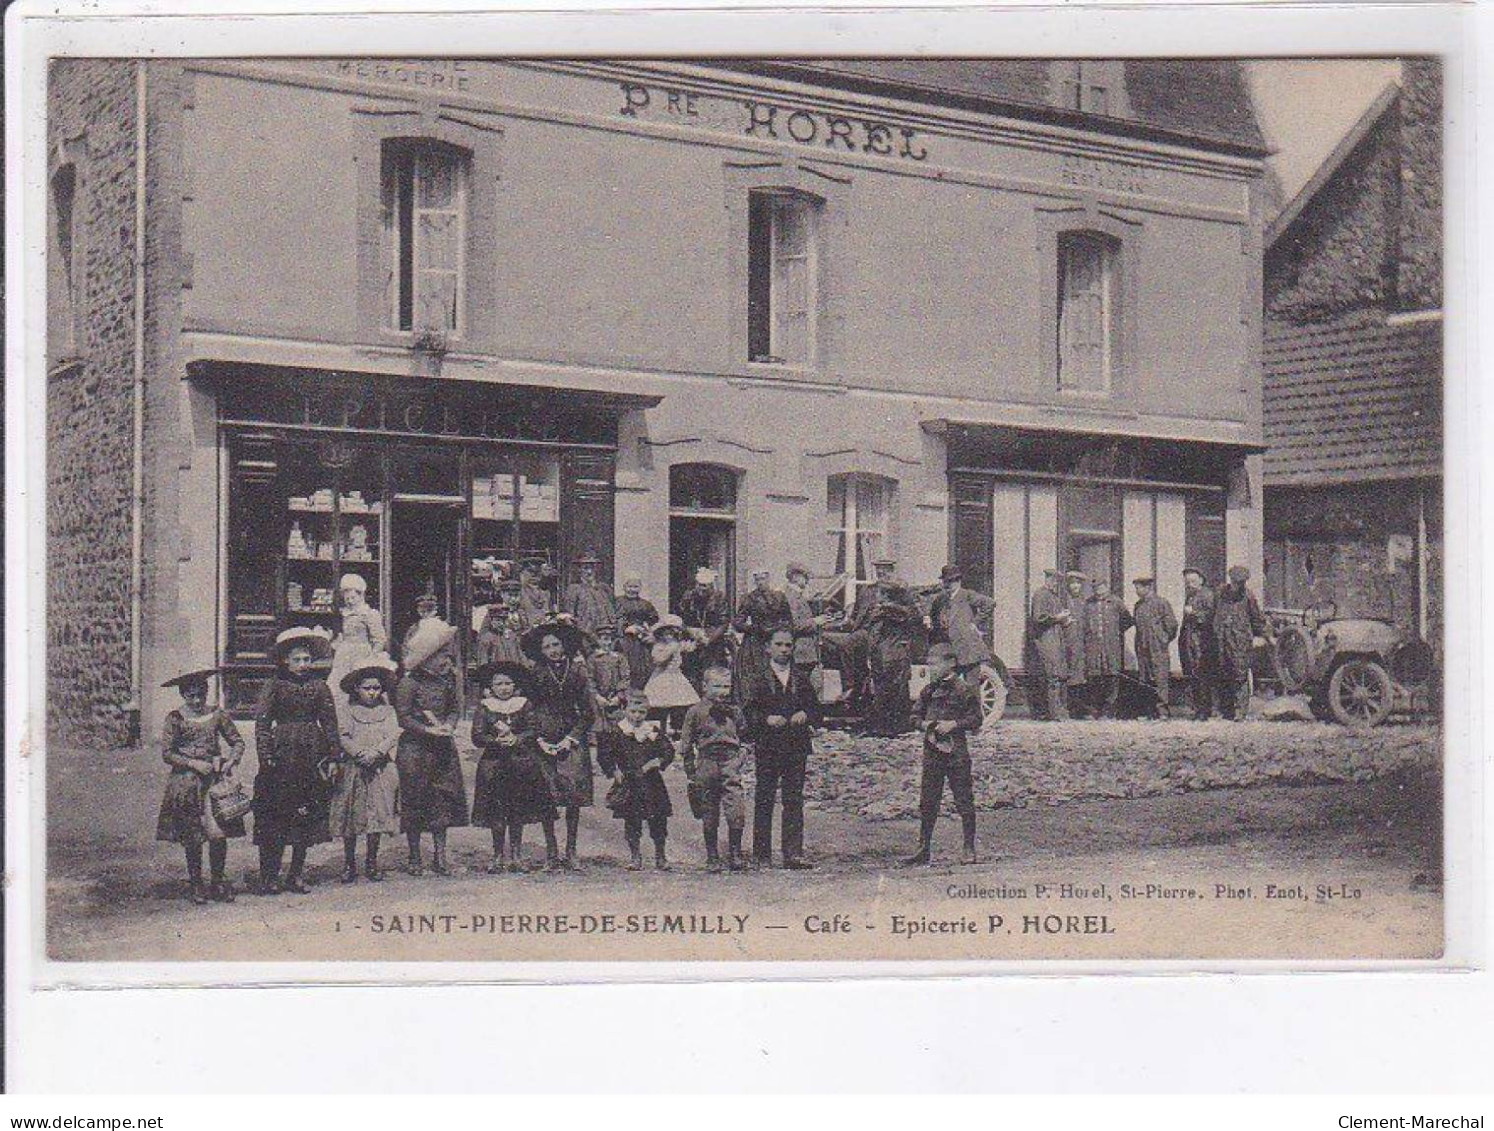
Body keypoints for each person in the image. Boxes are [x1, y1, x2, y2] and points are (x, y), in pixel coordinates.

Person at [254, 628, 340, 894]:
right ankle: (270, 876)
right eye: (297, 660)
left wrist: (334, 756)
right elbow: (262, 723)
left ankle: (296, 874)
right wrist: (266, 755)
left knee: (305, 815)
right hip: (282, 754)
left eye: (307, 659)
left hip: (311, 754)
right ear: (285, 661)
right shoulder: (275, 686)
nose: (303, 665)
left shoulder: (320, 687)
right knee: (275, 817)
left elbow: (330, 723)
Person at [156, 666, 246, 904]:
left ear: (207, 693)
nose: (196, 700)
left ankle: (217, 881)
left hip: (213, 784)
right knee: (193, 835)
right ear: (183, 696)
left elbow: (237, 742)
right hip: (186, 783)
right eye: (191, 695)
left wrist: (229, 761)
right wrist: (193, 763)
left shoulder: (217, 715)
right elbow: (167, 753)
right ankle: (196, 883)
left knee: (218, 834)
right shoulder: (175, 718)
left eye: (201, 695)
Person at [395, 618, 468, 876]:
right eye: (442, 656)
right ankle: (415, 857)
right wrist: (427, 729)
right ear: (427, 658)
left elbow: (453, 709)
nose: (447, 662)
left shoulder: (445, 683)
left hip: (442, 750)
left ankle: (440, 857)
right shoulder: (408, 683)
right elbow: (403, 717)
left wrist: (448, 725)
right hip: (415, 750)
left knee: (442, 801)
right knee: (415, 801)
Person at [743, 628, 820, 869]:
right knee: (765, 796)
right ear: (768, 648)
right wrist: (765, 719)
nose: (784, 649)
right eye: (779, 644)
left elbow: (817, 710)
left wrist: (805, 713)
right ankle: (762, 853)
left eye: (788, 645)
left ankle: (793, 853)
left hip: (796, 746)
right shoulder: (757, 678)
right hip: (768, 745)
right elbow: (747, 711)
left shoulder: (801, 678)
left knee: (793, 799)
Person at [470, 661, 558, 873]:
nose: (504, 688)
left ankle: (516, 855)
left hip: (520, 764)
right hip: (494, 764)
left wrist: (517, 739)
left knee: (517, 810)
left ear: (515, 686)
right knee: (496, 812)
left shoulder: (523, 704)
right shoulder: (485, 707)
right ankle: (498, 855)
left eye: (508, 683)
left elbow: (533, 729)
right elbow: (477, 735)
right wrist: (496, 741)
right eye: (498, 684)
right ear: (491, 688)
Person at [902, 643, 984, 867]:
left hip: (957, 753)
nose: (931, 668)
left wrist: (954, 725)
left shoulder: (964, 689)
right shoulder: (928, 691)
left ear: (951, 663)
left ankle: (969, 848)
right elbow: (913, 717)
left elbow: (977, 719)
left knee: (964, 800)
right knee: (928, 802)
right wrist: (925, 724)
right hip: (932, 753)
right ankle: (923, 848)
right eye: (929, 664)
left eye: (935, 663)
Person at [523, 621, 596, 869]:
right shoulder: (534, 673)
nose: (553, 650)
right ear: (540, 650)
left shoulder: (577, 672)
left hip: (571, 735)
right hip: (543, 737)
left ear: (564, 645)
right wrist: (539, 738)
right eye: (547, 646)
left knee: (573, 793)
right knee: (547, 793)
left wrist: (572, 737)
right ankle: (551, 852)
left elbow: (588, 712)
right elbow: (528, 709)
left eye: (556, 644)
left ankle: (571, 851)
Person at [330, 658, 401, 883]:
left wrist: (377, 753)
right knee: (352, 815)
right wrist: (360, 754)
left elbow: (393, 734)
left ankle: (371, 862)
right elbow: (343, 736)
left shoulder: (388, 711)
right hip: (354, 768)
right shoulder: (347, 710)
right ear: (356, 689)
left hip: (380, 768)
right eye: (367, 688)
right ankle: (350, 863)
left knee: (377, 815)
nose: (372, 693)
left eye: (376, 688)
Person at [677, 666, 749, 873]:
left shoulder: (735, 711)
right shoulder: (695, 711)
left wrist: (740, 758)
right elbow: (686, 743)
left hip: (730, 762)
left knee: (735, 806)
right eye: (717, 686)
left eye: (727, 686)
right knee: (709, 809)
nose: (723, 691)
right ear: (705, 687)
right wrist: (691, 771)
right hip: (706, 762)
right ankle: (712, 855)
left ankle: (735, 854)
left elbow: (745, 736)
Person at [597, 689, 675, 871]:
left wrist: (659, 761)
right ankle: (635, 857)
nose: (637, 716)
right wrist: (613, 770)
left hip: (652, 782)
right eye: (633, 711)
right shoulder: (618, 731)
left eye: (642, 712)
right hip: (630, 781)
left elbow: (668, 750)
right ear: (625, 710)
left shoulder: (652, 731)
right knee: (632, 820)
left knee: (658, 819)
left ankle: (660, 857)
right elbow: (605, 754)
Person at [327, 573, 389, 722]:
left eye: (353, 597)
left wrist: (372, 657)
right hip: (344, 655)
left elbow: (380, 639)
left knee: (363, 687)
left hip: (362, 654)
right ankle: (342, 721)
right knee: (338, 688)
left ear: (361, 595)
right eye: (346, 598)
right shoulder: (346, 614)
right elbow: (344, 635)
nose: (349, 601)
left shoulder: (369, 614)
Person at [863, 580, 922, 736]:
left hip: (894, 657)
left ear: (886, 595)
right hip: (881, 656)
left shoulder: (896, 611)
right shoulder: (880, 610)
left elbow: (909, 615)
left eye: (879, 593)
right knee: (883, 691)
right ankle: (884, 726)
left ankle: (893, 727)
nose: (875, 595)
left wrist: (886, 607)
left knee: (894, 692)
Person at [1212, 565, 1269, 721]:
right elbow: (1213, 613)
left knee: (1239, 674)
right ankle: (1226, 710)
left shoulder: (1248, 596)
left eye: (1242, 582)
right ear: (1231, 580)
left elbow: (1257, 619)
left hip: (1240, 642)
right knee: (1223, 673)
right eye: (1237, 582)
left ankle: (1240, 711)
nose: (1240, 585)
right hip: (1222, 640)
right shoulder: (1220, 593)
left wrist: (1261, 635)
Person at [929, 565, 997, 681]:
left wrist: (975, 623)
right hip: (950, 652)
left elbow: (989, 603)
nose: (949, 584)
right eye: (946, 581)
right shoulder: (942, 599)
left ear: (959, 581)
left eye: (952, 581)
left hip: (968, 650)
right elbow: (934, 616)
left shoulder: (967, 595)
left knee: (971, 689)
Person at [732, 568, 791, 701]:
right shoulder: (750, 598)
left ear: (768, 579)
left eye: (763, 579)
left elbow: (788, 619)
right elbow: (737, 622)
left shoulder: (779, 597)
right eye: (757, 580)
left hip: (775, 640)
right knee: (754, 674)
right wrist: (754, 628)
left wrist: (778, 629)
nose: (760, 583)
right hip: (755, 642)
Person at [1083, 579, 1133, 719]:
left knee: (1112, 677)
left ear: (1107, 587)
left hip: (1111, 647)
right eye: (1096, 587)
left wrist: (1114, 633)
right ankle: (1096, 710)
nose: (1099, 590)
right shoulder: (1088, 604)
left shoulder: (1116, 602)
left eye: (1101, 587)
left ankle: (1109, 711)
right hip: (1094, 647)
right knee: (1095, 678)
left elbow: (1127, 621)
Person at [643, 614, 700, 735]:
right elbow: (657, 659)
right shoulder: (661, 645)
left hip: (673, 676)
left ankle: (675, 731)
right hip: (661, 676)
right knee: (659, 703)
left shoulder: (674, 645)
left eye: (672, 632)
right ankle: (662, 730)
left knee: (676, 703)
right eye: (666, 632)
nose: (669, 635)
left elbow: (662, 658)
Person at [1131, 577, 1179, 720]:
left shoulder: (1161, 603)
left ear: (1147, 588)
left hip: (1157, 647)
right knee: (1145, 678)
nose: (1136, 591)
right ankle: (1149, 712)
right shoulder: (1138, 605)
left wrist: (1163, 639)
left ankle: (1162, 712)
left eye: (1139, 587)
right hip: (1142, 647)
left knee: (1160, 678)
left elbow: (1172, 625)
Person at [678, 566, 732, 689]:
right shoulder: (688, 597)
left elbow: (724, 622)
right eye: (699, 585)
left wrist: (710, 638)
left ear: (711, 586)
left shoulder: (719, 598)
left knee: (712, 672)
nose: (701, 589)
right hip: (692, 639)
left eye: (705, 586)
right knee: (691, 673)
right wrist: (689, 630)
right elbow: (680, 619)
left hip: (713, 642)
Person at [784, 562, 837, 687]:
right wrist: (815, 621)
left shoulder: (797, 596)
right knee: (800, 688)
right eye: (805, 577)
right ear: (795, 577)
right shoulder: (792, 597)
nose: (808, 581)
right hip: (800, 652)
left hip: (804, 652)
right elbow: (794, 625)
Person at [1027, 569, 1070, 720]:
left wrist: (1065, 620)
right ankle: (1053, 713)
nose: (1056, 584)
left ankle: (1056, 711)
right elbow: (1038, 618)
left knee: (1057, 674)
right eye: (1054, 581)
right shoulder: (1040, 594)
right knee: (1052, 675)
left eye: (1058, 582)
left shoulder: (1053, 596)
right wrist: (1057, 617)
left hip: (1055, 638)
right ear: (1049, 579)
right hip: (1046, 639)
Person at [1179, 567, 1220, 720]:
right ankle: (1198, 709)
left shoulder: (1207, 595)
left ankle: (1205, 711)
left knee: (1203, 676)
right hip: (1190, 641)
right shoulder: (1190, 596)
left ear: (1201, 580)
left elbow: (1211, 617)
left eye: (1193, 581)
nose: (1190, 584)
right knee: (1193, 675)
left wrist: (1194, 614)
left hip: (1202, 643)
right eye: (1187, 582)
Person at [615, 575, 660, 689]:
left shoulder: (645, 603)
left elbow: (654, 619)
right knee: (627, 664)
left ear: (640, 588)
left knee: (644, 665)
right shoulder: (618, 602)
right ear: (624, 587)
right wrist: (626, 628)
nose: (632, 590)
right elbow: (614, 618)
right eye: (630, 586)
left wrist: (647, 629)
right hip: (624, 638)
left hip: (641, 639)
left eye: (635, 587)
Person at [564, 552, 617, 647]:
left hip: (607, 637)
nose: (589, 572)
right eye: (585, 568)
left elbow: (614, 611)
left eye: (592, 568)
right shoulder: (574, 589)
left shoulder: (604, 588)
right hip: (585, 638)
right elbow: (569, 617)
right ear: (579, 569)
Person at [585, 623, 630, 730]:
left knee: (619, 726)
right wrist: (597, 696)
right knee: (600, 727)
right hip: (598, 701)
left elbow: (625, 678)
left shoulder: (619, 658)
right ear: (598, 641)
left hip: (616, 700)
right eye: (605, 639)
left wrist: (619, 696)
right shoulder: (593, 659)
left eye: (611, 640)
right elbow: (589, 679)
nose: (608, 643)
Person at [1061, 571, 1090, 718]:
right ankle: (1069, 708)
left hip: (1081, 644)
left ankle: (1080, 709)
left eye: (1078, 583)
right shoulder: (1063, 601)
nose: (1075, 586)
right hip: (1067, 643)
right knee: (1068, 674)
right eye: (1072, 583)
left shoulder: (1085, 602)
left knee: (1081, 675)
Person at [516, 558, 552, 631]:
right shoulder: (517, 594)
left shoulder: (546, 594)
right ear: (522, 574)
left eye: (538, 572)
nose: (534, 576)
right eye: (530, 571)